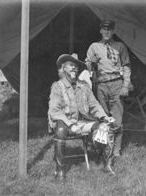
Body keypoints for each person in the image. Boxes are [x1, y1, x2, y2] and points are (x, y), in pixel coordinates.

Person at [48, 53, 115, 182]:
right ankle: (60, 171)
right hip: (65, 123)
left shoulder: (84, 85)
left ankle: (106, 164)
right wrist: (71, 125)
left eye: (76, 67)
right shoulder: (57, 86)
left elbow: (94, 105)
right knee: (60, 130)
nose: (74, 68)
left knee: (105, 128)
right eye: (71, 65)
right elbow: (54, 111)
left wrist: (104, 117)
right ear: (63, 68)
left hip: (83, 121)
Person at [85, 20, 132, 157]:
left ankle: (116, 150)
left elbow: (126, 66)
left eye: (109, 29)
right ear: (100, 30)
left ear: (113, 31)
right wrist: (90, 64)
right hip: (101, 85)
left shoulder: (120, 46)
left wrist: (125, 85)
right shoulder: (94, 46)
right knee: (102, 118)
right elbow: (87, 65)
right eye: (104, 29)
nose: (106, 32)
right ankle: (103, 148)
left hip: (117, 84)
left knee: (117, 119)